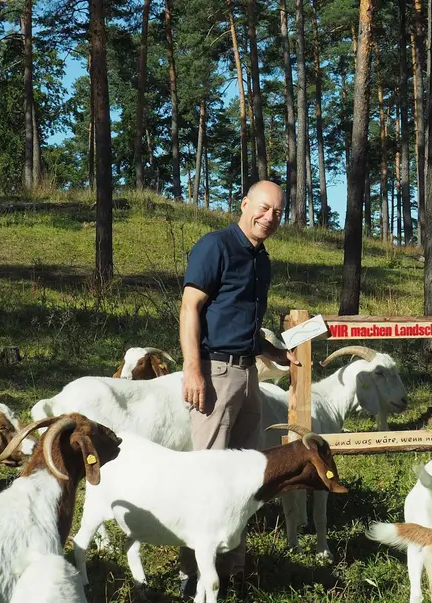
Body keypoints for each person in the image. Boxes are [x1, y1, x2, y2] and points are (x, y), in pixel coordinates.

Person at [178, 180, 297, 598]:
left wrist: (274, 353)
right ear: (244, 203)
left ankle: (234, 569)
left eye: (277, 212)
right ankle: (194, 575)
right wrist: (194, 371)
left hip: (249, 376)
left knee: (246, 475)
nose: (269, 218)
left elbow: (242, 322)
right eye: (262, 208)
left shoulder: (262, 261)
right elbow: (191, 307)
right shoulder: (216, 246)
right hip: (215, 373)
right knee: (209, 476)